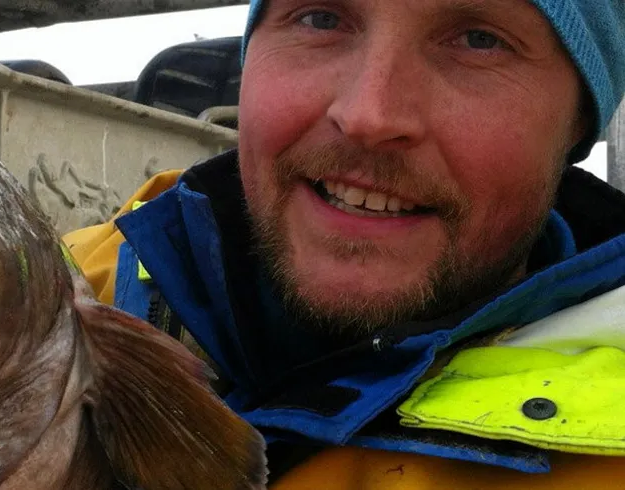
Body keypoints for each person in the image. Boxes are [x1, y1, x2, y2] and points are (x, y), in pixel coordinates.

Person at [63, 0, 625, 488]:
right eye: (321, 17)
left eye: (479, 40)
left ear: (578, 120)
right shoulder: (36, 306)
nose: (367, 115)